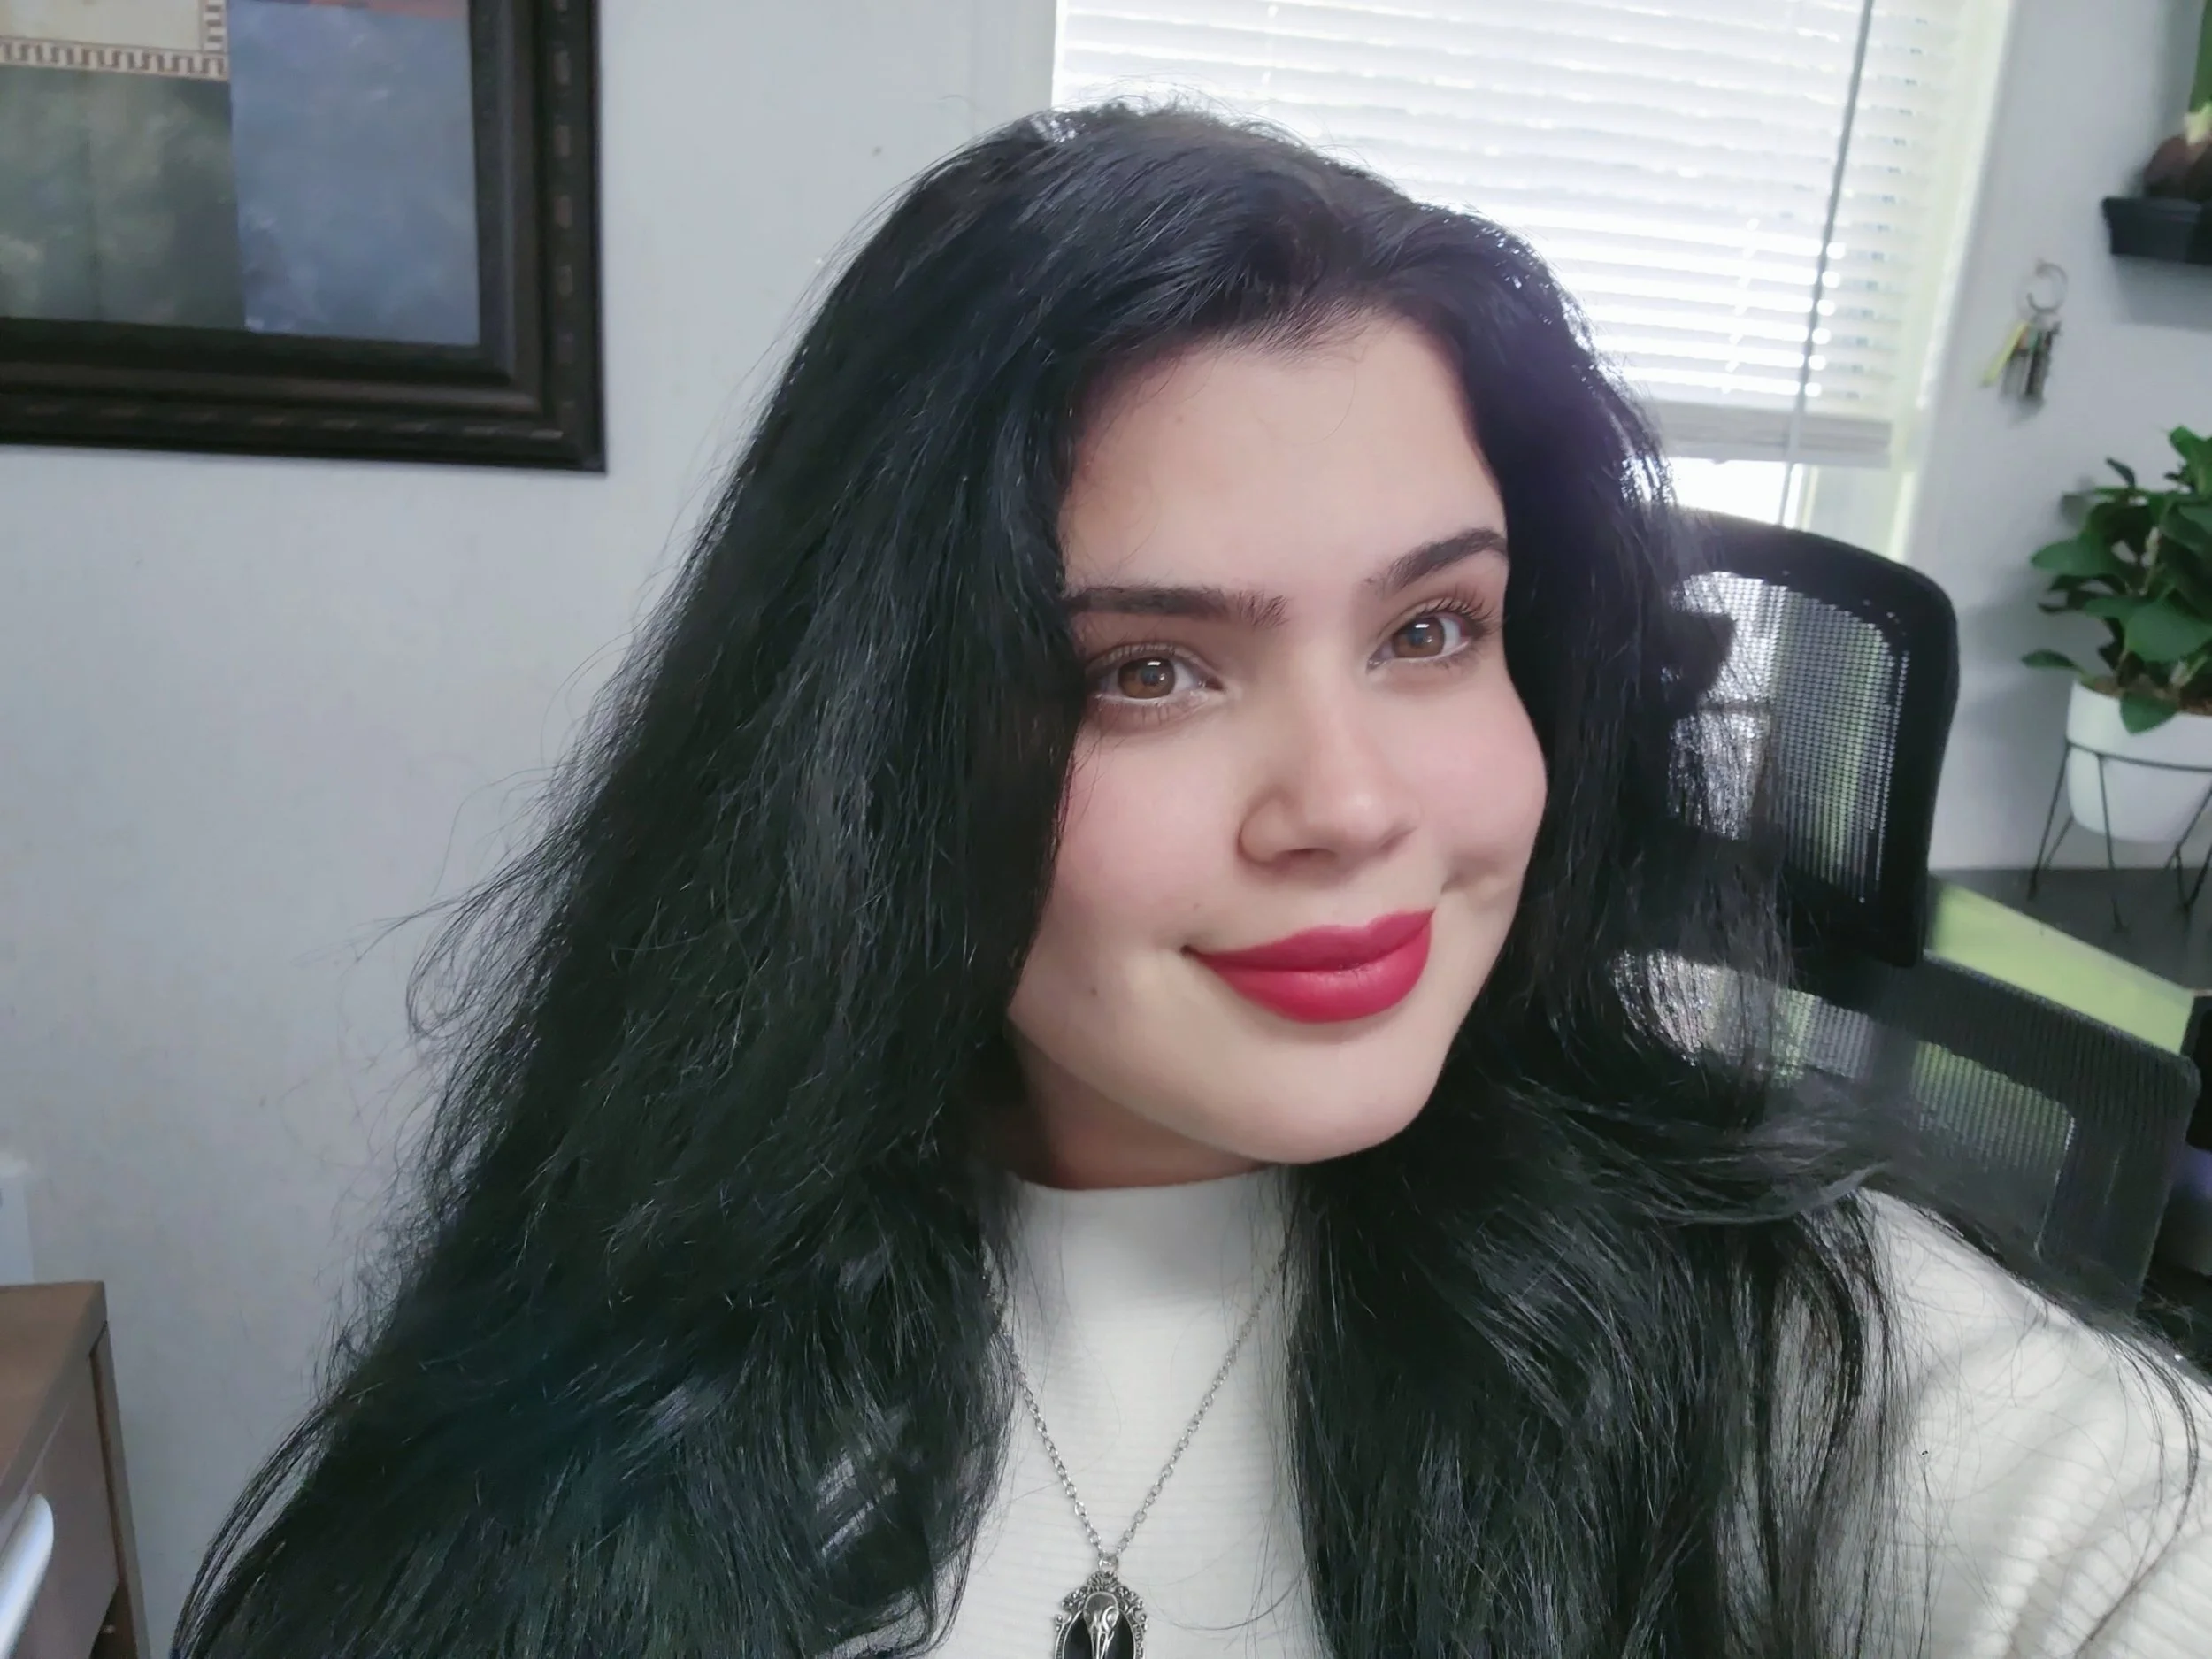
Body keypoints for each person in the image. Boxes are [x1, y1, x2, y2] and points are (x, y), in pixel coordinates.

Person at [175, 106, 2211, 1659]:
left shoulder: (1787, 1358)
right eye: (1147, 669)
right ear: (868, 760)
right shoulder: (615, 1371)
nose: (1345, 804)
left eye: (1430, 632)